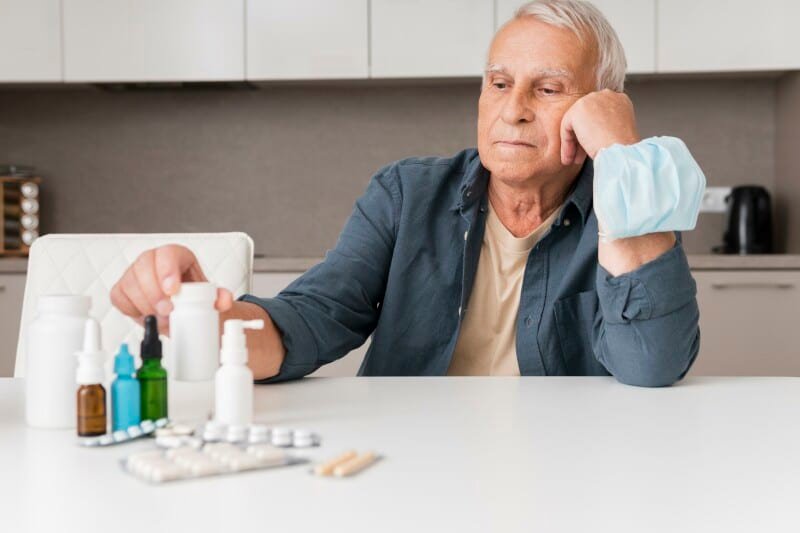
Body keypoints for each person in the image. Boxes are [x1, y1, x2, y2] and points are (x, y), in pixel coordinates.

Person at [111, 0, 703, 387]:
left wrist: (625, 161)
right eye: (499, 84)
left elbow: (651, 365)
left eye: (547, 89)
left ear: (596, 106)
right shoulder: (406, 193)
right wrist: (217, 323)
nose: (513, 112)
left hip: (567, 467)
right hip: (412, 459)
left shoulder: (623, 203)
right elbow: (313, 318)